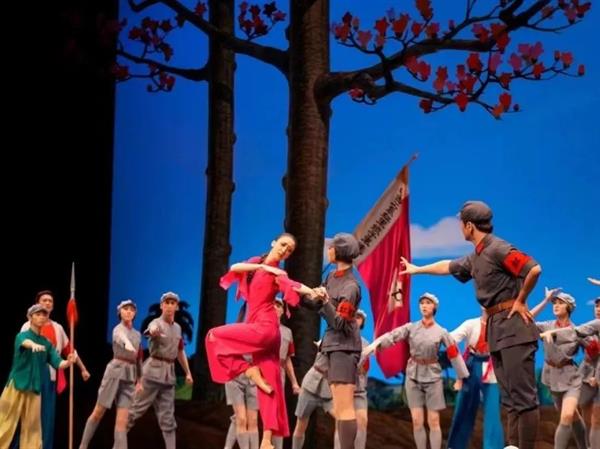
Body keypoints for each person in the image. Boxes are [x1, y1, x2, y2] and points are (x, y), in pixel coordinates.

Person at [399, 200, 542, 449]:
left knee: (523, 398)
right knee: (510, 398)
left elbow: (533, 269)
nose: (459, 228)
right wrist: (417, 269)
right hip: (497, 329)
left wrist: (521, 300)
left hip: (514, 328)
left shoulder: (497, 248)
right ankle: (513, 445)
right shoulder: (476, 256)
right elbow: (447, 266)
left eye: (461, 224)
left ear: (469, 226)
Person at [206, 233, 318, 449]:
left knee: (214, 336)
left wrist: (313, 291)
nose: (285, 250)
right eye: (283, 245)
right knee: (270, 386)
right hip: (266, 334)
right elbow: (235, 267)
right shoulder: (257, 263)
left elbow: (294, 285)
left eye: (290, 250)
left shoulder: (279, 273)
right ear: (274, 242)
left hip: (264, 329)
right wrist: (262, 267)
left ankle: (248, 371)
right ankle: (266, 441)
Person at [363, 293, 469, 449]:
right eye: (422, 303)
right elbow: (393, 336)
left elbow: (453, 353)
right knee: (417, 421)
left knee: (434, 420)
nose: (424, 306)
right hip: (413, 375)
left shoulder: (442, 332)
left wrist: (461, 377)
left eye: (428, 303)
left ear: (434, 307)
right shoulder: (411, 327)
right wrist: (375, 346)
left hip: (433, 377)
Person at [16, 290, 90, 449]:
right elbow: (22, 344)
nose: (47, 303)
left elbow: (70, 350)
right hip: (31, 376)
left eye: (50, 301)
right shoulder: (27, 326)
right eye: (44, 300)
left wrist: (82, 369)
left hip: (49, 376)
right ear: (37, 304)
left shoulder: (58, 328)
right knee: (29, 416)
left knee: (47, 417)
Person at [312, 233, 363, 449]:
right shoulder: (332, 277)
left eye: (331, 247)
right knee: (339, 407)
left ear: (340, 251)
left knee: (344, 407)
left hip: (344, 347)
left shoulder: (350, 286)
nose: (329, 250)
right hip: (333, 345)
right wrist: (305, 294)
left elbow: (340, 323)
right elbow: (318, 304)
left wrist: (324, 302)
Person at [0, 304, 77, 449]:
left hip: (34, 388)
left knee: (32, 427)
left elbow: (58, 362)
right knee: (5, 421)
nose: (41, 317)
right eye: (38, 314)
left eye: (44, 315)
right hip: (16, 385)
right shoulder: (22, 336)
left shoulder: (46, 343)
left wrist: (68, 362)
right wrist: (32, 345)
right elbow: (25, 342)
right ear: (30, 317)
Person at [127, 292, 194, 449]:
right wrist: (152, 331)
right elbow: (150, 330)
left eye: (173, 303)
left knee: (168, 420)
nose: (170, 306)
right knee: (133, 411)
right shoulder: (156, 323)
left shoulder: (177, 328)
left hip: (168, 376)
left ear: (177, 307)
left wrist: (188, 372)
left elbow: (180, 351)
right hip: (151, 373)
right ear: (162, 305)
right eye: (167, 302)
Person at [79, 300, 143, 449]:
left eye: (131, 309)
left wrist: (140, 380)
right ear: (120, 312)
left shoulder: (137, 335)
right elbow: (121, 338)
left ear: (134, 313)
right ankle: (83, 445)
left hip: (129, 375)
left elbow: (139, 358)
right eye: (125, 309)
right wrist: (127, 344)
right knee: (98, 412)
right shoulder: (117, 330)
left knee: (122, 422)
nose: (128, 311)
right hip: (114, 372)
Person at [531, 290, 588, 449]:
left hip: (571, 379)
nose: (556, 306)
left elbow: (592, 351)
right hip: (552, 378)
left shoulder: (577, 331)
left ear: (568, 307)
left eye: (560, 303)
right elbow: (526, 320)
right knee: (573, 416)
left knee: (567, 416)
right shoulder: (546, 325)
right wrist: (545, 300)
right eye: (554, 303)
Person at [446, 307, 503, 449]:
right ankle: (455, 446)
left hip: (491, 366)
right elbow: (450, 339)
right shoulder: (471, 324)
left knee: (492, 411)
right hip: (472, 364)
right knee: (464, 407)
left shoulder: (501, 326)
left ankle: (493, 447)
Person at [272, 297, 300, 449]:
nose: (275, 307)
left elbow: (288, 359)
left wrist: (294, 383)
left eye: (279, 305)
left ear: (283, 310)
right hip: (260, 371)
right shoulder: (259, 326)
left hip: (279, 373)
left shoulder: (287, 332)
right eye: (273, 304)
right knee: (254, 413)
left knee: (277, 414)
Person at [291, 349, 334, 449]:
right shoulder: (329, 341)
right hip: (311, 385)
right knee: (301, 424)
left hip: (329, 390)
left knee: (343, 419)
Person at [579, 297, 600, 449]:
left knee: (596, 419)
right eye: (597, 306)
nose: (598, 309)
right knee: (586, 417)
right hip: (586, 377)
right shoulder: (587, 329)